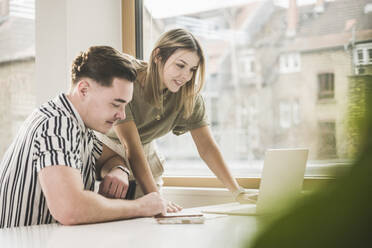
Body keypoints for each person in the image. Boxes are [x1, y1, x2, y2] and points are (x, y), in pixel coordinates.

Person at [0, 46, 166, 228]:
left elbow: (111, 157)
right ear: (84, 90)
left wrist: (119, 170)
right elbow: (70, 209)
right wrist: (140, 206)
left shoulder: (79, 126)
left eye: (125, 106)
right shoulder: (57, 124)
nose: (122, 115)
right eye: (116, 104)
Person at [97, 28, 255, 212]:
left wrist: (238, 192)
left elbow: (207, 147)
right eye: (180, 65)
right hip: (106, 147)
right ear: (158, 56)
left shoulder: (188, 96)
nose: (185, 76)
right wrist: (156, 199)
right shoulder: (127, 79)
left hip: (145, 150)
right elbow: (130, 146)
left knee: (153, 218)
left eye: (192, 69)